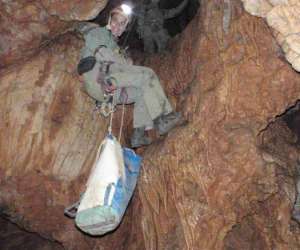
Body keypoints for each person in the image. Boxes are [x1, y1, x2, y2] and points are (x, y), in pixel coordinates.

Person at [77, 4, 182, 148]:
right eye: (115, 21)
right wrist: (125, 62)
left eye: (122, 24)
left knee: (142, 91)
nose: (117, 26)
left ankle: (138, 135)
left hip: (108, 92)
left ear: (125, 28)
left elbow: (116, 61)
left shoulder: (114, 45)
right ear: (109, 20)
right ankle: (163, 118)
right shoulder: (98, 33)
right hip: (98, 77)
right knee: (148, 74)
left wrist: (123, 60)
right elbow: (102, 54)